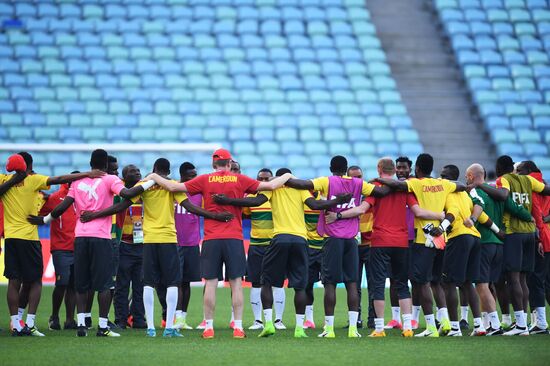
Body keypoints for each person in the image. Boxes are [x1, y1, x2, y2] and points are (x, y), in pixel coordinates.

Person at [145, 148, 295, 339]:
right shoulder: (239, 179)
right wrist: (288, 175)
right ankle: (238, 327)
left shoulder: (205, 179)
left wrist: (153, 177)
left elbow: (174, 188)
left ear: (213, 163)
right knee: (237, 284)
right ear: (230, 163)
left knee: (210, 284)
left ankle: (208, 327)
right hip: (234, 237)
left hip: (211, 238)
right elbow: (271, 187)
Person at [213, 168, 353, 338]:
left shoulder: (272, 189)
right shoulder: (300, 190)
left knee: (266, 281)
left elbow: (255, 202)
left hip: (279, 238)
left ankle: (269, 324)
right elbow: (315, 205)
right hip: (301, 240)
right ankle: (299, 329)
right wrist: (338, 200)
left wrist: (227, 200)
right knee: (300, 286)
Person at [28, 149, 150, 337]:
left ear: (91, 162)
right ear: (106, 165)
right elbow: (128, 193)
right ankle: (102, 326)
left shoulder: (78, 181)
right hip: (101, 238)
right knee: (104, 283)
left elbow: (64, 205)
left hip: (80, 237)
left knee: (82, 283)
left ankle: (82, 325)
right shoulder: (110, 180)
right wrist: (151, 182)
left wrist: (45, 220)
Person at [326, 158, 445, 337]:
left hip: (380, 241)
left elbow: (360, 210)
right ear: (395, 170)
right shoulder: (404, 188)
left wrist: (338, 216)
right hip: (402, 242)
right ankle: (407, 327)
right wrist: (440, 215)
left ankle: (380, 328)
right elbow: (419, 212)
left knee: (378, 284)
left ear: (379, 169)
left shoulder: (376, 187)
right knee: (402, 284)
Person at [286, 156, 391, 338]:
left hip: (332, 239)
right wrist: (388, 181)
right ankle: (353, 329)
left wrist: (284, 178)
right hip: (352, 239)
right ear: (346, 168)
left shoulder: (326, 181)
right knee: (352, 283)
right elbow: (381, 193)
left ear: (330, 168)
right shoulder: (359, 184)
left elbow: (302, 184)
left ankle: (329, 329)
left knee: (330, 284)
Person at [4, 152, 103, 337]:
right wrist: (86, 174)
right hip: (29, 238)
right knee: (35, 281)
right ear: (29, 165)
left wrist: (13, 181)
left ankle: (16, 323)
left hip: (11, 238)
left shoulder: (3, 180)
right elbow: (59, 178)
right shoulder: (34, 180)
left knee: (14, 281)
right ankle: (31, 323)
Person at [373, 153, 465, 337]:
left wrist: (376, 178)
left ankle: (431, 326)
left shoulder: (416, 183)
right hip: (441, 238)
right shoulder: (444, 183)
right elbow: (461, 186)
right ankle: (445, 320)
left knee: (420, 283)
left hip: (423, 239)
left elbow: (398, 184)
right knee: (436, 282)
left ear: (416, 169)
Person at [473, 155, 550, 335]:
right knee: (523, 279)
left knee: (513, 279)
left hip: (514, 232)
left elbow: (504, 196)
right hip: (531, 233)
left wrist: (479, 185)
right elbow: (547, 190)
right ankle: (522, 322)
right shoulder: (529, 180)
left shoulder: (503, 180)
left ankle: (521, 325)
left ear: (499, 169)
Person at [466, 163, 531, 335]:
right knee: (489, 285)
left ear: (471, 176)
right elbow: (515, 208)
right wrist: (530, 218)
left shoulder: (475, 193)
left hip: (484, 242)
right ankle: (489, 323)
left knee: (481, 285)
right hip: (499, 245)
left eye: (467, 176)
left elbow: (478, 215)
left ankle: (494, 325)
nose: (466, 179)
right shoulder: (497, 193)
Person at [430, 165, 485, 336]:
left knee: (448, 283)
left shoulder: (447, 191)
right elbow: (479, 207)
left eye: (443, 175)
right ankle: (479, 326)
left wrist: (442, 227)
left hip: (459, 237)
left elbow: (452, 212)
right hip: (475, 237)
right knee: (468, 283)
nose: (441, 178)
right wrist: (498, 231)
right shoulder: (465, 193)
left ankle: (454, 328)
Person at [242, 168, 287, 330]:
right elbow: (244, 214)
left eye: (268, 179)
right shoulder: (252, 199)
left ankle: (278, 320)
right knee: (255, 283)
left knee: (278, 283)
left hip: (275, 246)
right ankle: (258, 321)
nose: (265, 182)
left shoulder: (279, 196)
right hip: (255, 245)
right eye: (261, 179)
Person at [39, 174, 79, 331]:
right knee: (62, 282)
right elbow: (40, 211)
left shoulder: (83, 197)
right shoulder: (55, 198)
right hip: (61, 247)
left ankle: (70, 320)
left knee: (73, 285)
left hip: (79, 248)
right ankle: (54, 316)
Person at [111, 164, 147, 329]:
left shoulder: (146, 194)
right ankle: (121, 320)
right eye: (133, 171)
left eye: (138, 170)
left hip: (142, 245)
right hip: (123, 246)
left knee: (140, 287)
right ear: (124, 177)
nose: (137, 172)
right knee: (122, 286)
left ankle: (138, 319)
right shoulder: (118, 194)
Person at [518, 161, 550, 334]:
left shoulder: (530, 184)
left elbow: (536, 212)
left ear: (529, 171)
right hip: (549, 236)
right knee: (547, 282)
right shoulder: (544, 183)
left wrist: (538, 238)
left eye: (520, 171)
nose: (518, 174)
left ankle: (541, 324)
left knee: (535, 280)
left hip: (541, 238)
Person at [174, 162, 204, 330]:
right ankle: (175, 317)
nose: (193, 179)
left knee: (186, 283)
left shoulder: (200, 194)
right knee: (175, 282)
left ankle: (183, 319)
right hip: (174, 242)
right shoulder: (174, 190)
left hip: (192, 243)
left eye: (195, 175)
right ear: (182, 175)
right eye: (190, 176)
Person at [345, 165, 375, 329]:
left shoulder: (370, 194)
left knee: (373, 283)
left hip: (370, 244)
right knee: (353, 284)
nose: (357, 180)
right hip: (353, 245)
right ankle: (355, 320)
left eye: (360, 176)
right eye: (354, 177)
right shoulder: (343, 197)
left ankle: (373, 318)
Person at [304, 189, 324, 330]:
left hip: (325, 248)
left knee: (330, 285)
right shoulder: (302, 200)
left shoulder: (325, 200)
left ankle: (328, 319)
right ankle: (309, 320)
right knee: (307, 285)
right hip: (308, 248)